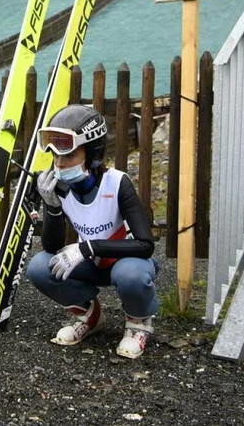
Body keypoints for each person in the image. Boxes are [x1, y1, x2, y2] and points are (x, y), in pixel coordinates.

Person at [27, 104, 158, 359]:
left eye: (69, 155)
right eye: (55, 156)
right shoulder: (60, 188)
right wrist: (52, 207)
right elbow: (51, 248)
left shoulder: (117, 182)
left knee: (131, 274)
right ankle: (90, 316)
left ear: (92, 153)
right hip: (91, 264)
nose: (59, 164)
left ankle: (138, 323)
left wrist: (89, 247)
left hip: (127, 262)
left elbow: (146, 244)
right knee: (40, 266)